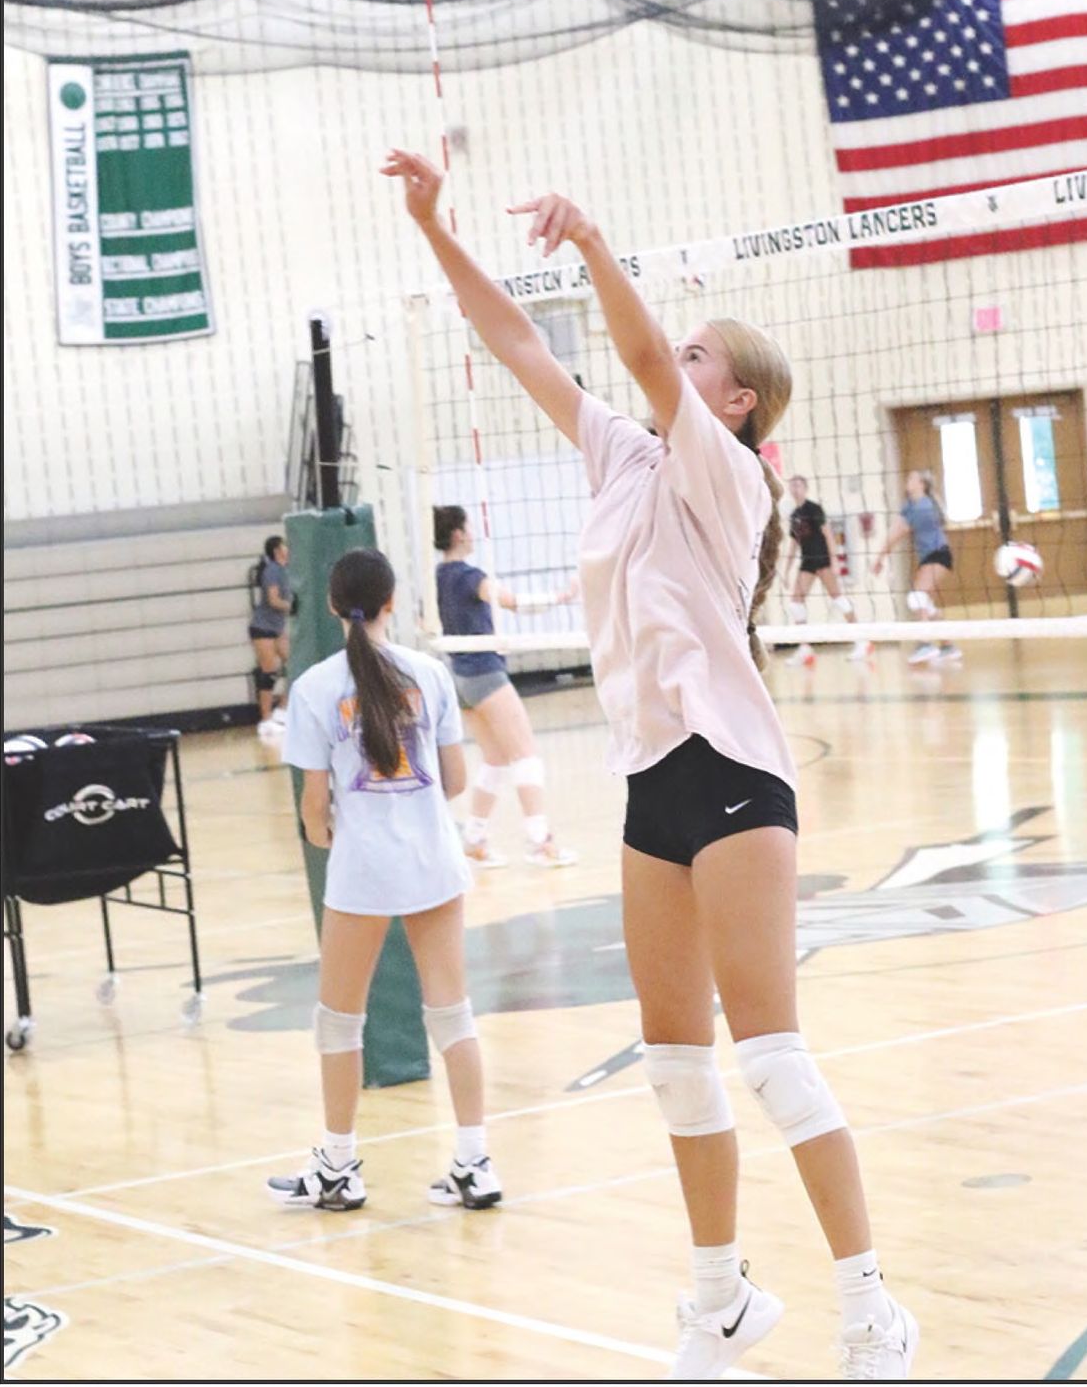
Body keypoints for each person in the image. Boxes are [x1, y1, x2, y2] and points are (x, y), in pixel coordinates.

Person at [382, 149, 917, 1382]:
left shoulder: (729, 475)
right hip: (651, 785)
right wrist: (435, 229)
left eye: (696, 360)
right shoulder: (621, 457)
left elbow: (628, 351)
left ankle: (871, 1306)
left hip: (736, 777)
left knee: (772, 1056)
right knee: (677, 1064)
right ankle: (720, 1302)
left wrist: (592, 243)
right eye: (681, 358)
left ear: (735, 403)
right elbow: (516, 340)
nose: (674, 366)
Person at [270, 547, 502, 1214]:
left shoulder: (314, 687)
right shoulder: (429, 674)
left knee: (340, 1021)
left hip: (363, 870)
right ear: (392, 602)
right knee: (451, 1012)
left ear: (333, 606)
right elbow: (456, 781)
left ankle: (338, 1167)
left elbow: (314, 808)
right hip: (433, 861)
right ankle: (474, 1162)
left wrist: (326, 834)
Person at [433, 504, 577, 869]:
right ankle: (539, 841)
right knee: (525, 753)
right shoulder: (469, 576)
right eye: (468, 527)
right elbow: (514, 603)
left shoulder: (436, 575)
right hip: (483, 671)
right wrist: (562, 596)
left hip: (460, 677)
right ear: (458, 534)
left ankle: (474, 838)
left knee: (496, 759)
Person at [872, 471, 962, 666]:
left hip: (939, 555)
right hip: (928, 557)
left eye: (912, 478)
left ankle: (925, 643)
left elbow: (898, 533)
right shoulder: (910, 506)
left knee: (917, 597)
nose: (908, 481)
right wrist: (881, 556)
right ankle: (948, 646)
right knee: (925, 604)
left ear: (922, 484)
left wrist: (880, 558)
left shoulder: (923, 506)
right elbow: (895, 530)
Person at [783, 476, 872, 666]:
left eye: (798, 485)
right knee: (795, 603)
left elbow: (829, 535)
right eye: (792, 485)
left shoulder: (814, 509)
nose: (794, 489)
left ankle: (862, 641)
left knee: (838, 598)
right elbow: (793, 545)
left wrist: (835, 561)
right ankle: (805, 648)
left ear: (805, 488)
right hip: (807, 561)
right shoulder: (794, 515)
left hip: (822, 559)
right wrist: (786, 570)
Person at [249, 535, 292, 738]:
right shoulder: (272, 571)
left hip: (277, 627)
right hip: (263, 628)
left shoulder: (285, 570)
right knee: (269, 672)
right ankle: (265, 720)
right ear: (277, 550)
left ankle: (281, 710)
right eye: (284, 545)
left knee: (295, 667)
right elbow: (274, 600)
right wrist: (292, 607)